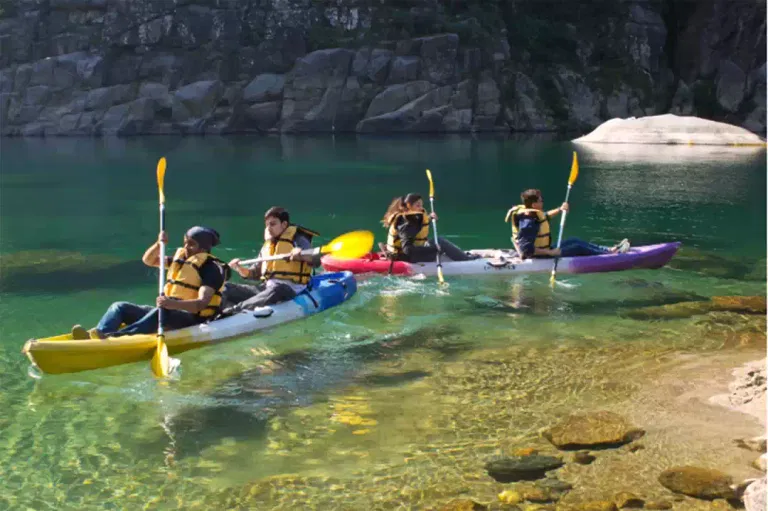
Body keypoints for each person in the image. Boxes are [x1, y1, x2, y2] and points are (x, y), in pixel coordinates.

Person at [71, 226, 229, 339]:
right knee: (120, 307)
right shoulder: (181, 260)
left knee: (163, 311)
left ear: (204, 248)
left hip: (193, 319)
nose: (186, 247)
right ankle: (101, 333)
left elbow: (200, 304)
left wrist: (171, 305)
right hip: (168, 310)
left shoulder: (211, 269)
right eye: (185, 242)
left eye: (192, 244)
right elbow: (149, 260)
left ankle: (116, 338)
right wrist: (159, 244)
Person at [223, 207, 320, 313]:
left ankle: (236, 310)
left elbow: (316, 261)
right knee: (226, 287)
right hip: (266, 288)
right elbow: (254, 273)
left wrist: (301, 255)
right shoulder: (268, 245)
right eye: (267, 225)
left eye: (273, 224)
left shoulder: (299, 239)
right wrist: (239, 268)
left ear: (284, 224)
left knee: (278, 289)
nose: (268, 228)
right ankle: (215, 315)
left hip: (290, 289)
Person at [505, 189, 630, 259]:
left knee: (573, 240)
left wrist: (560, 209)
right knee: (577, 248)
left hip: (544, 251)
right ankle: (612, 256)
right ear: (534, 205)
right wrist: (550, 253)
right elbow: (526, 249)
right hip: (539, 256)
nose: (543, 202)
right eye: (541, 200)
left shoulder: (533, 215)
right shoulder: (528, 221)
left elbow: (546, 216)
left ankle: (608, 249)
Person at [381, 193, 476, 263]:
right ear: (409, 206)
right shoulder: (407, 223)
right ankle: (467, 260)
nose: (421, 208)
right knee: (439, 241)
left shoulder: (407, 218)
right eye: (418, 205)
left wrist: (429, 218)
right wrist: (434, 249)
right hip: (407, 258)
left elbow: (416, 229)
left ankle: (461, 255)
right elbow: (408, 250)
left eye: (422, 205)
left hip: (404, 254)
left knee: (436, 241)